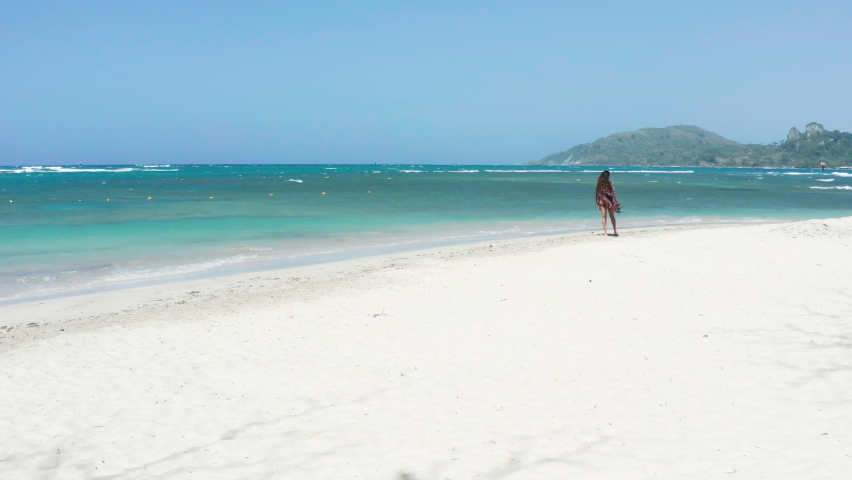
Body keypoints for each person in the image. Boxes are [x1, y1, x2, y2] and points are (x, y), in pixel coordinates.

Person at [595, 170, 621, 236]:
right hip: (610, 201)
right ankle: (615, 231)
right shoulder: (611, 183)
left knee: (604, 216)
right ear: (608, 176)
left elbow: (598, 194)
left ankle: (605, 233)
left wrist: (598, 203)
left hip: (602, 201)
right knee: (612, 216)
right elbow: (613, 193)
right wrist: (615, 202)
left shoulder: (599, 184)